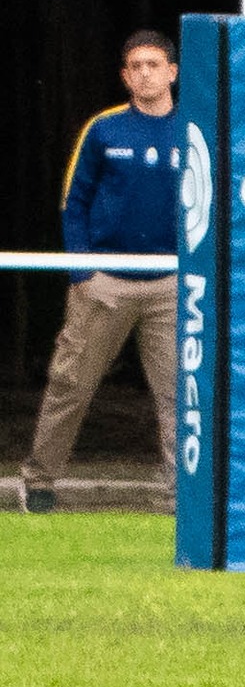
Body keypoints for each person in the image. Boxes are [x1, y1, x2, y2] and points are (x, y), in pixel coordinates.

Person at [19, 32, 183, 513]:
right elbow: (75, 202)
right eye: (135, 65)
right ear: (124, 75)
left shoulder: (195, 131)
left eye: (154, 64)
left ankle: (183, 494)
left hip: (171, 284)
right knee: (71, 384)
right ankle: (40, 482)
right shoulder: (104, 129)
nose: (145, 73)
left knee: (179, 394)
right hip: (105, 283)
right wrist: (83, 271)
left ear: (173, 71)